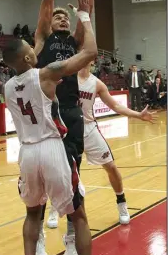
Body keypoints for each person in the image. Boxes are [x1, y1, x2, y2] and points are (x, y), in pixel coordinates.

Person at [3, 0, 97, 255]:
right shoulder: (46, 74)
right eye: (30, 48)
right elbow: (90, 52)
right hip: (53, 147)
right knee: (78, 215)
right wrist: (84, 17)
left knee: (32, 215)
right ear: (29, 58)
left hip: (26, 153)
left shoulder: (7, 87)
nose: (34, 48)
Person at [33, 0, 97, 255]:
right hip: (46, 112)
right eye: (58, 17)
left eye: (65, 17)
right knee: (42, 175)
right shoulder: (43, 39)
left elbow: (88, 10)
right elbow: (47, 0)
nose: (62, 18)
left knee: (74, 173)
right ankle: (40, 233)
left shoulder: (73, 43)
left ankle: (72, 235)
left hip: (70, 112)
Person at [48, 61, 157, 235]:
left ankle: (121, 202)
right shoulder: (68, 78)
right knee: (63, 172)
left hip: (89, 128)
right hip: (69, 128)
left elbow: (115, 105)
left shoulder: (97, 83)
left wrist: (137, 115)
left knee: (111, 167)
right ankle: (55, 208)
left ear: (92, 60)